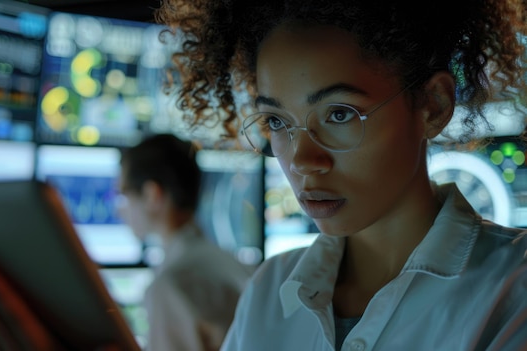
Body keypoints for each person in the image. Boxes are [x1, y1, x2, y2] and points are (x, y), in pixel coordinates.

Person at [153, 0, 527, 350]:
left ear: (433, 105)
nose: (302, 160)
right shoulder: (271, 290)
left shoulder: (513, 287)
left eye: (340, 114)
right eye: (277, 121)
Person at [117, 133, 253, 351]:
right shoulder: (233, 263)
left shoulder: (170, 285)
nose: (120, 209)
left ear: (153, 195)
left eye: (123, 194)